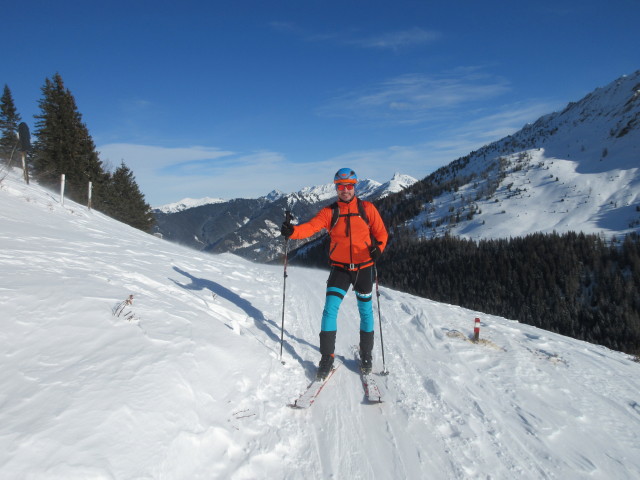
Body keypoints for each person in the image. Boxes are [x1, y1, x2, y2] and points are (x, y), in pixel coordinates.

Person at [280, 168, 388, 379]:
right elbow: (310, 228)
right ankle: (327, 357)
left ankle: (366, 355)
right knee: (330, 310)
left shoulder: (367, 209)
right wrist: (292, 232)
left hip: (364, 268)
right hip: (340, 269)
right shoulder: (330, 212)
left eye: (349, 186)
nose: (345, 190)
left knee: (365, 312)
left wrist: (379, 248)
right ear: (336, 187)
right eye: (341, 186)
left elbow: (381, 233)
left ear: (355, 186)